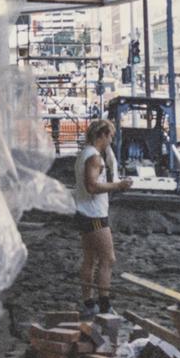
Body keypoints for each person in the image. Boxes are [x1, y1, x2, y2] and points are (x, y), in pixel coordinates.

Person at [75, 119, 132, 317]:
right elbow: (91, 186)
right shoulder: (94, 158)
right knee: (108, 259)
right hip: (95, 214)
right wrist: (118, 186)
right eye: (110, 136)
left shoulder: (85, 153)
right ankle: (105, 304)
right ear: (102, 135)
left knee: (89, 259)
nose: (111, 140)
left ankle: (88, 302)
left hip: (84, 212)